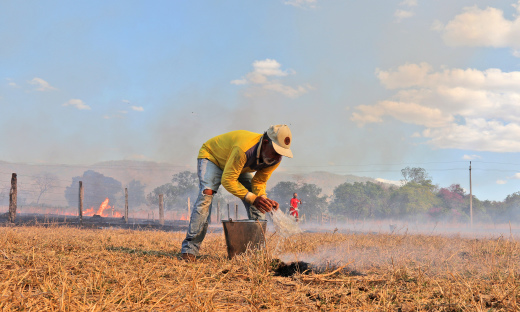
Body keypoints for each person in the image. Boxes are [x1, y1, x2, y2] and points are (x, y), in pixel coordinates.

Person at [181, 124, 293, 261]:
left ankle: (255, 253)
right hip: (213, 158)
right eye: (276, 152)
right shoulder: (244, 148)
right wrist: (252, 198)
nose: (277, 157)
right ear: (265, 143)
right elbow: (228, 180)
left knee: (259, 204)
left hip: (237, 167)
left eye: (281, 154)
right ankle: (190, 249)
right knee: (207, 194)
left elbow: (259, 182)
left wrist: (263, 198)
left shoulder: (275, 159)